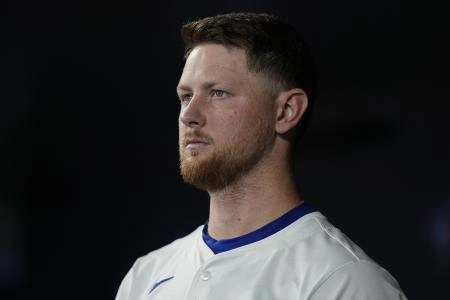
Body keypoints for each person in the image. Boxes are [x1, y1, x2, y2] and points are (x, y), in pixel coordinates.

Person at [116, 12, 407, 299]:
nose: (189, 115)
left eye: (218, 93)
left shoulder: (341, 280)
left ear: (286, 111)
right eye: (186, 96)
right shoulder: (147, 275)